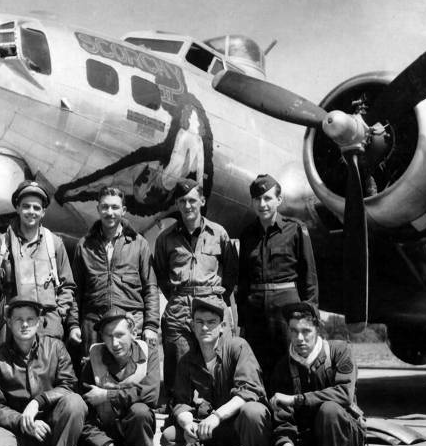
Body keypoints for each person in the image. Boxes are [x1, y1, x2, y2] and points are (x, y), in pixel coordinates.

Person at [0, 296, 87, 446]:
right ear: (9, 323)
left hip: (50, 427)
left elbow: (69, 385)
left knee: (76, 403)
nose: (25, 324)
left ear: (39, 322)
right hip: (15, 428)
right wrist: (22, 421)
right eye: (18, 319)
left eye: (30, 319)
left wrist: (38, 402)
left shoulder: (56, 347)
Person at [160, 296, 271, 446]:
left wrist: (216, 416)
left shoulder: (238, 347)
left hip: (243, 425)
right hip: (215, 428)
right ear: (192, 325)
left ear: (222, 327)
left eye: (211, 322)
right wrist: (187, 423)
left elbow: (249, 391)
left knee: (253, 412)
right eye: (199, 322)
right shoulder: (187, 360)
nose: (205, 327)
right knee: (169, 436)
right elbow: (181, 402)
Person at [154, 178, 238, 405]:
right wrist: (177, 297)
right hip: (180, 304)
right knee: (180, 358)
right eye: (182, 201)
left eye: (192, 200)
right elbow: (161, 274)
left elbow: (231, 271)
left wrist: (216, 295)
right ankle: (179, 410)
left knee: (218, 358)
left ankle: (220, 408)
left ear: (201, 201)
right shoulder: (165, 238)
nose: (187, 205)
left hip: (211, 300)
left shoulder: (219, 233)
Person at [270, 302, 365, 446]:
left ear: (317, 329)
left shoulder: (339, 351)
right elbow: (282, 416)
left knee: (330, 410)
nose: (299, 338)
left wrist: (297, 400)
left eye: (306, 331)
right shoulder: (283, 366)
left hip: (344, 438)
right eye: (294, 331)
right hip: (307, 440)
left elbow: (344, 394)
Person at [237, 173, 318, 389]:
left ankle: (293, 415)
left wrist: (309, 316)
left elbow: (309, 277)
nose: (262, 204)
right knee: (257, 367)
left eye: (267, 198)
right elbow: (243, 282)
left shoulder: (296, 230)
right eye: (257, 199)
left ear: (279, 200)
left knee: (292, 365)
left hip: (287, 310)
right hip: (256, 313)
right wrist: (242, 323)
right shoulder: (247, 235)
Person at [69, 186, 159, 373]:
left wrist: (150, 325)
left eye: (115, 207)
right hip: (94, 325)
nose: (110, 212)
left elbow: (150, 287)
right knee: (93, 379)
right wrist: (73, 324)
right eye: (105, 207)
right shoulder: (84, 246)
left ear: (123, 211)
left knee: (132, 379)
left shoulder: (139, 243)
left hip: (130, 320)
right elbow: (75, 290)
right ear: (98, 209)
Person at [0, 180, 76, 353]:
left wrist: (59, 314)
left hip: (48, 325)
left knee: (47, 375)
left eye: (36, 208)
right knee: (11, 376)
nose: (31, 212)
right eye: (26, 206)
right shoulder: (1, 244)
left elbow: (67, 285)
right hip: (13, 325)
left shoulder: (54, 243)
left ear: (43, 212)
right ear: (17, 208)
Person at [77, 308, 160, 446]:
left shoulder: (148, 353)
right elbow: (86, 420)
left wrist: (108, 395)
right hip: (103, 440)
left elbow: (151, 394)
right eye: (108, 336)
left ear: (134, 333)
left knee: (141, 412)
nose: (115, 343)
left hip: (132, 435)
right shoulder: (91, 362)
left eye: (120, 334)